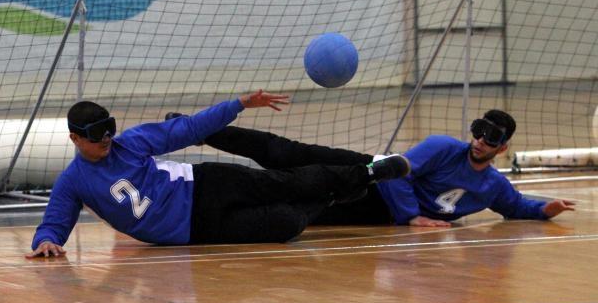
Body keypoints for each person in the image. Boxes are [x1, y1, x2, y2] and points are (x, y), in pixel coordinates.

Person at [26, 90, 411, 258]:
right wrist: (46, 241)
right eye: (96, 136)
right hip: (195, 233)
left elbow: (189, 129)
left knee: (288, 181)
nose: (107, 139)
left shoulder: (132, 142)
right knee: (284, 225)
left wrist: (238, 104)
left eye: (109, 128)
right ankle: (332, 196)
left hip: (206, 186)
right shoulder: (74, 181)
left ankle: (367, 173)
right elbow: (55, 221)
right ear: (75, 138)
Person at [184, 109, 574, 228]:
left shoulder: (490, 185)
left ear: (502, 148)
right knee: (286, 153)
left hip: (370, 210)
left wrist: (544, 208)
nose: (479, 142)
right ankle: (203, 130)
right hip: (366, 174)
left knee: (289, 194)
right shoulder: (442, 147)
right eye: (477, 132)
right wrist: (412, 217)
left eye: (491, 139)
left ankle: (203, 202)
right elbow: (398, 171)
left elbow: (515, 204)